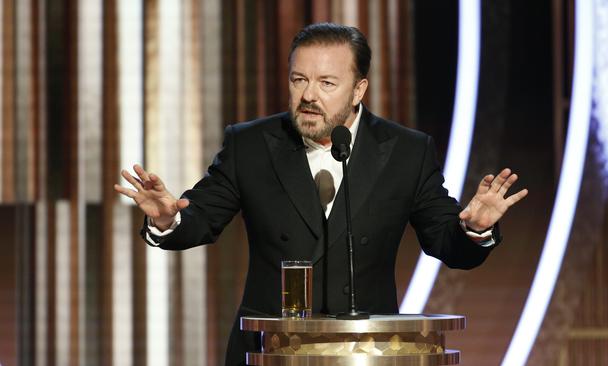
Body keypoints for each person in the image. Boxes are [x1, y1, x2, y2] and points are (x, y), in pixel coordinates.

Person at [114, 23, 528, 365]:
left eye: (327, 82)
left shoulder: (405, 151)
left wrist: (474, 228)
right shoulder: (252, 144)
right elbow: (201, 217)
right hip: (270, 351)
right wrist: (168, 218)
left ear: (359, 89)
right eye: (299, 80)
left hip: (368, 352)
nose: (309, 95)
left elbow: (445, 240)